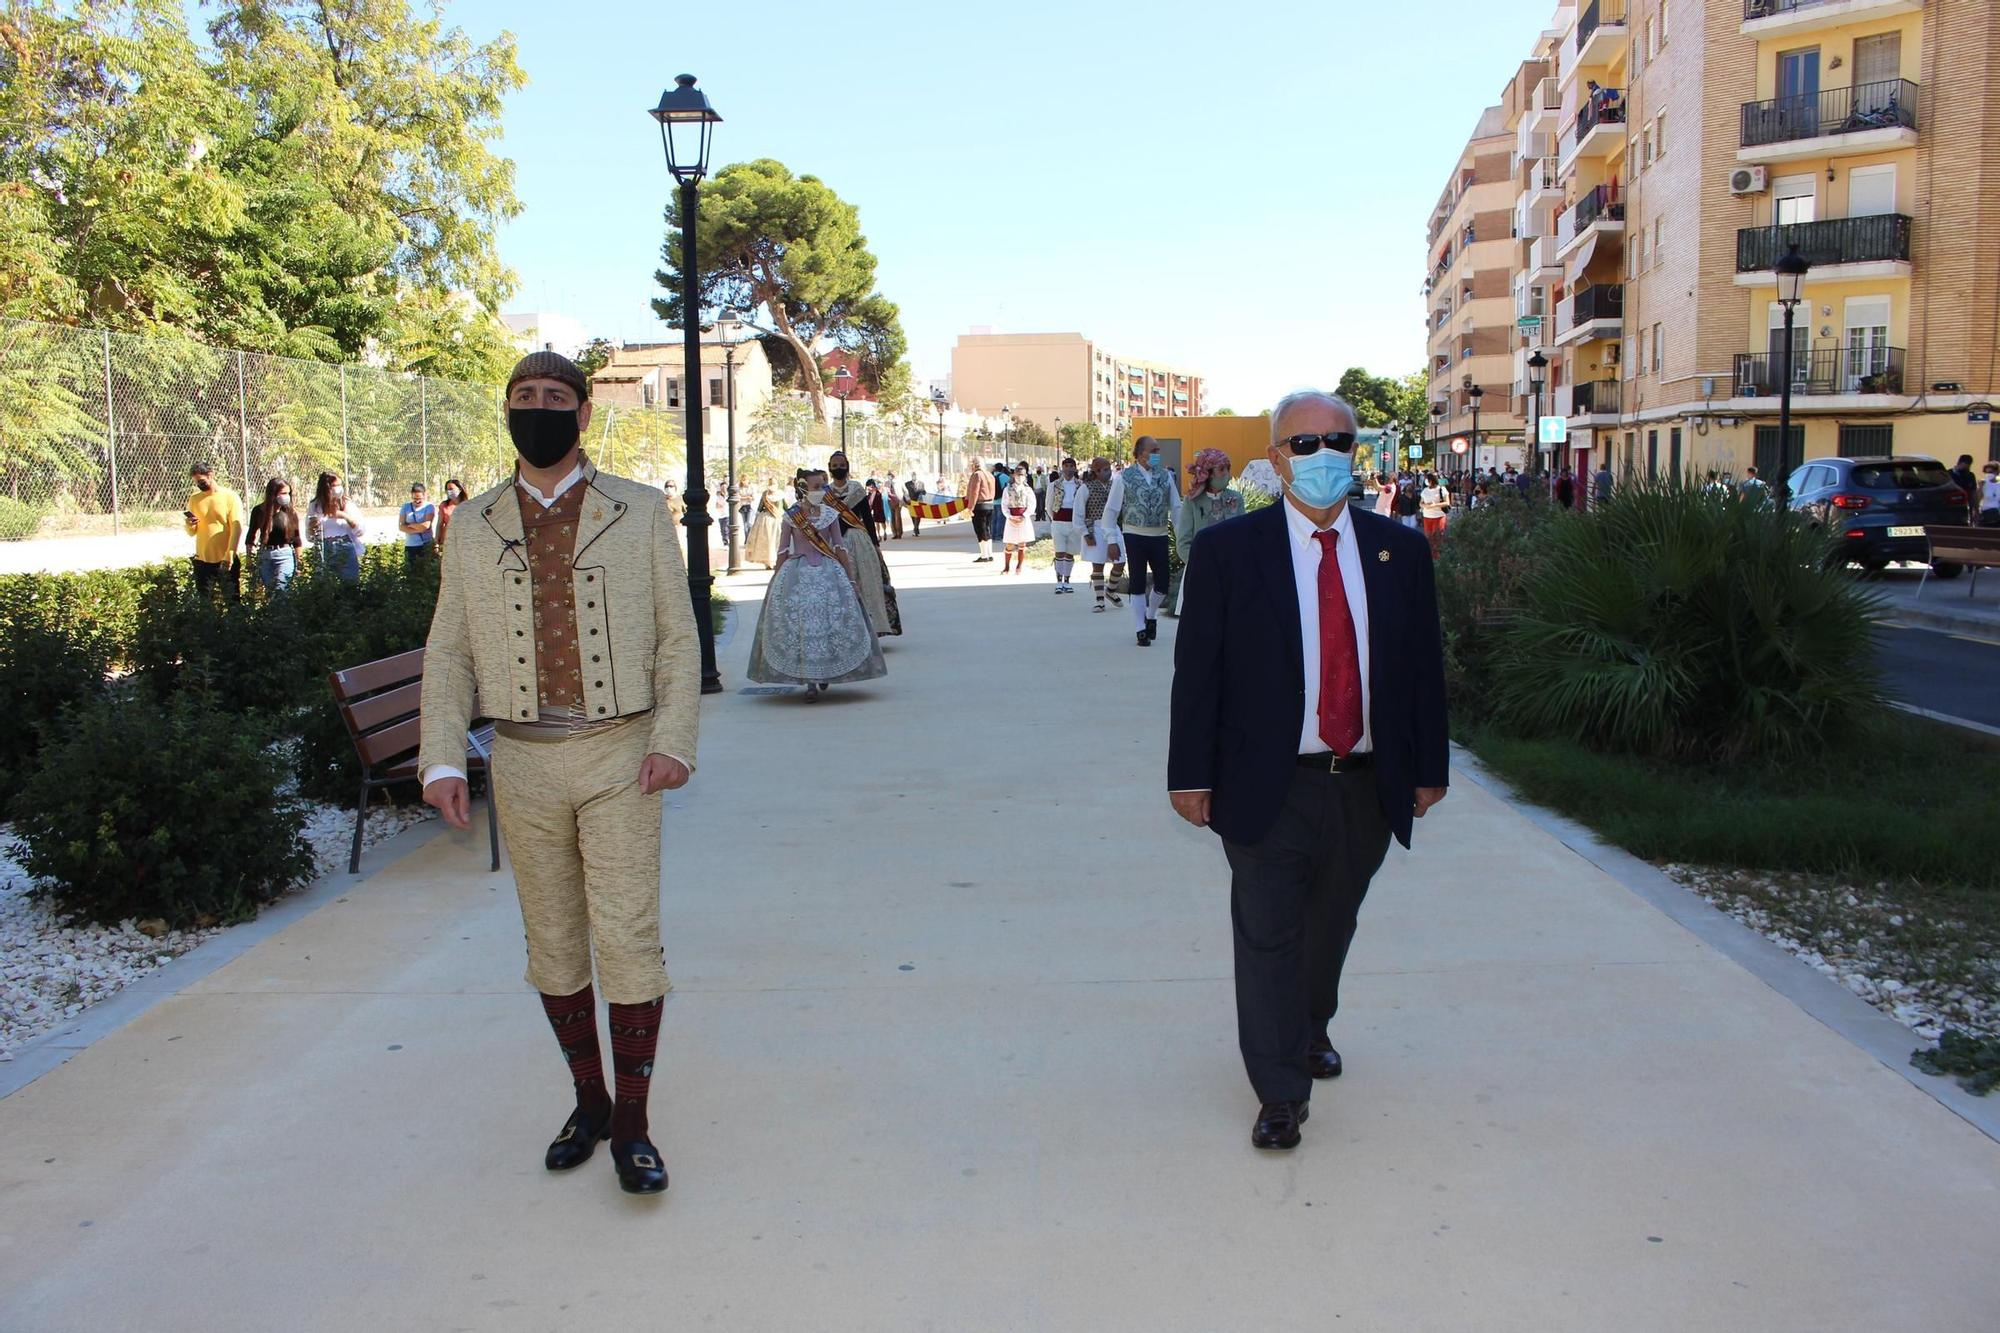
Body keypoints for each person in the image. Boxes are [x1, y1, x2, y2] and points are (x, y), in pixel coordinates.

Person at [419, 349, 700, 1198]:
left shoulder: (640, 510)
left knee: (627, 937)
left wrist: (675, 740)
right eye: (522, 397)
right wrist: (440, 756)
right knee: (552, 942)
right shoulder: (472, 524)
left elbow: (678, 639)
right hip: (523, 760)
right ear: (506, 411)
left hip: (621, 754)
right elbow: (451, 647)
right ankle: (589, 1099)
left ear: (582, 415)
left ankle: (634, 1124)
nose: (536, 408)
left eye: (553, 398)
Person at [1168, 390, 1449, 1152]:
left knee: (1331, 923)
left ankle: (1310, 1022)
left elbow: (1422, 669)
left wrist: (1430, 766)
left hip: (1365, 778)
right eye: (1303, 444)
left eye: (1338, 441)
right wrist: (1189, 774)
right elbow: (1198, 672)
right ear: (1274, 458)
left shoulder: (1401, 552)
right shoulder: (1231, 552)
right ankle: (1280, 1090)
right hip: (1267, 780)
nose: (1322, 456)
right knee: (1267, 934)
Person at [748, 469, 886, 700]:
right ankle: (810, 681)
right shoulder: (791, 517)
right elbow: (782, 549)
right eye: (817, 487)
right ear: (803, 489)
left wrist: (850, 579)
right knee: (801, 625)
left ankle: (824, 673)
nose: (823, 490)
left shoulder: (830, 514)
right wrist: (776, 580)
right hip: (797, 574)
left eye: (824, 485)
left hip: (829, 573)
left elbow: (840, 547)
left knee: (828, 623)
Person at [1103, 436, 1182, 647]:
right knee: (1137, 581)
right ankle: (1140, 628)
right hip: (1134, 535)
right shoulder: (1124, 477)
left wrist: (1182, 532)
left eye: (1158, 450)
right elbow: (1111, 511)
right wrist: (1111, 539)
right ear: (1139, 453)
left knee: (1163, 584)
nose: (1157, 453)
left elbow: (1175, 506)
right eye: (1153, 450)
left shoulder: (1165, 476)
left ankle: (1151, 614)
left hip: (1159, 535)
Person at [826, 451, 900, 636]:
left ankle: (872, 628)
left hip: (859, 540)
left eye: (841, 465)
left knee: (867, 583)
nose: (838, 469)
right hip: (835, 542)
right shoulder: (825, 493)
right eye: (834, 466)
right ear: (829, 468)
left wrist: (875, 545)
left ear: (848, 466)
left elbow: (867, 517)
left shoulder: (857, 489)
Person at [1175, 448, 1244, 615]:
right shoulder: (1192, 501)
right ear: (1208, 474)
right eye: (1221, 469)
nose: (1226, 473)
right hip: (1200, 573)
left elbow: (1244, 537)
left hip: (1231, 573)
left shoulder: (1236, 498)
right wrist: (1200, 566)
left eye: (1228, 468)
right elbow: (1183, 542)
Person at [183, 462, 244, 603]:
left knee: (232, 601)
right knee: (205, 603)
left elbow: (236, 527)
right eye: (196, 482)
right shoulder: (195, 499)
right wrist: (189, 525)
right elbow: (192, 532)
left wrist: (230, 553)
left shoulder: (230, 497)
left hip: (225, 560)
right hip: (202, 560)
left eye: (201, 481)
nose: (199, 484)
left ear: (211, 475)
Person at [1077, 456, 1125, 613]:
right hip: (1095, 528)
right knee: (1098, 565)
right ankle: (1099, 600)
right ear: (1096, 471)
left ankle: (1110, 590)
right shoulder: (1086, 488)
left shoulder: (1115, 485)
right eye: (1104, 470)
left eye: (1109, 469)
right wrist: (1085, 533)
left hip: (1112, 527)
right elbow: (1078, 513)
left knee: (1120, 561)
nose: (1108, 472)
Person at [245, 477, 301, 593]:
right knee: (271, 592)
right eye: (283, 493)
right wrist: (249, 558)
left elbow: (297, 539)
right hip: (265, 555)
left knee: (280, 590)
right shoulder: (258, 511)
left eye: (288, 493)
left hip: (285, 555)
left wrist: (300, 562)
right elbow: (251, 535)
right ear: (273, 494)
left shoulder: (290, 512)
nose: (286, 496)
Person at [308, 471, 364, 583]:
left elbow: (360, 530)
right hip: (324, 546)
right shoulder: (315, 505)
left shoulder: (346, 503)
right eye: (334, 486)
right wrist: (312, 526)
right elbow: (309, 535)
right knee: (325, 584)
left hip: (344, 544)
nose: (338, 488)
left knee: (350, 583)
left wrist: (344, 516)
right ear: (326, 488)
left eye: (340, 485)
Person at [1047, 457, 1085, 594]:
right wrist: (1055, 518)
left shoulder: (1081, 485)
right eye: (1066, 466)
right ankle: (1058, 581)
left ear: (1075, 468)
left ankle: (1067, 581)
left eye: (1071, 466)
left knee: (1070, 553)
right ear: (1062, 468)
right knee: (1059, 551)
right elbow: (1048, 504)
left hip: (1074, 522)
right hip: (1058, 521)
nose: (1068, 469)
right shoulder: (1054, 484)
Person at [1000, 467, 1037, 574]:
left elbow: (1032, 504)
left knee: (1022, 542)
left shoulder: (1027, 490)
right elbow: (1004, 504)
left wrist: (1024, 515)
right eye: (1018, 474)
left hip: (1023, 518)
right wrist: (1010, 516)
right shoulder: (1008, 489)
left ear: (1025, 476)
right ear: (1014, 475)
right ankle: (1007, 567)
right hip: (1012, 518)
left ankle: (1019, 566)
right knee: (1010, 543)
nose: (1020, 477)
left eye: (1022, 475)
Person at [965, 456, 997, 562]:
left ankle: (984, 555)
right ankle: (990, 554)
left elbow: (974, 492)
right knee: (987, 529)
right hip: (989, 505)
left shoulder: (976, 475)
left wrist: (970, 508)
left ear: (975, 464)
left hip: (979, 506)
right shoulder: (989, 475)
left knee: (980, 530)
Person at [400, 482, 437, 568]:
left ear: (424, 495)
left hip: (425, 544)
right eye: (414, 498)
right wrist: (419, 528)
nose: (417, 501)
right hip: (411, 545)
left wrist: (410, 524)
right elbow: (401, 526)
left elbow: (426, 526)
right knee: (411, 572)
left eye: (419, 498)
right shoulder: (405, 507)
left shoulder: (429, 506)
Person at [745, 488, 784, 568]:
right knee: (776, 540)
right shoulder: (780, 495)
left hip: (766, 519)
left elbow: (760, 507)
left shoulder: (765, 495)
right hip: (777, 518)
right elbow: (786, 507)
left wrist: (756, 519)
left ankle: (768, 562)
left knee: (767, 541)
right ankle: (775, 560)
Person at [438, 478, 466, 548]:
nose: (449, 491)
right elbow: (439, 524)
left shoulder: (467, 505)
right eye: (447, 489)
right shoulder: (444, 505)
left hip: (463, 540)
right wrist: (437, 541)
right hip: (448, 541)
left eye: (451, 489)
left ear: (460, 489)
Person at [883, 472, 905, 539]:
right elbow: (884, 492)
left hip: (898, 501)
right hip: (890, 502)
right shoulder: (886, 483)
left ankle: (899, 533)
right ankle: (894, 533)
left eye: (890, 475)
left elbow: (905, 490)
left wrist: (906, 499)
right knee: (892, 518)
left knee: (897, 517)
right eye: (888, 476)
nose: (889, 477)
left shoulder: (899, 482)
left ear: (893, 476)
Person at [1980, 460, 2000, 527]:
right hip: (1986, 512)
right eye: (1986, 472)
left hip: (1997, 513)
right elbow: (1978, 498)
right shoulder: (1983, 483)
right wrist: (1980, 487)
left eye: (1991, 472)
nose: (1988, 474)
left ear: (1997, 472)